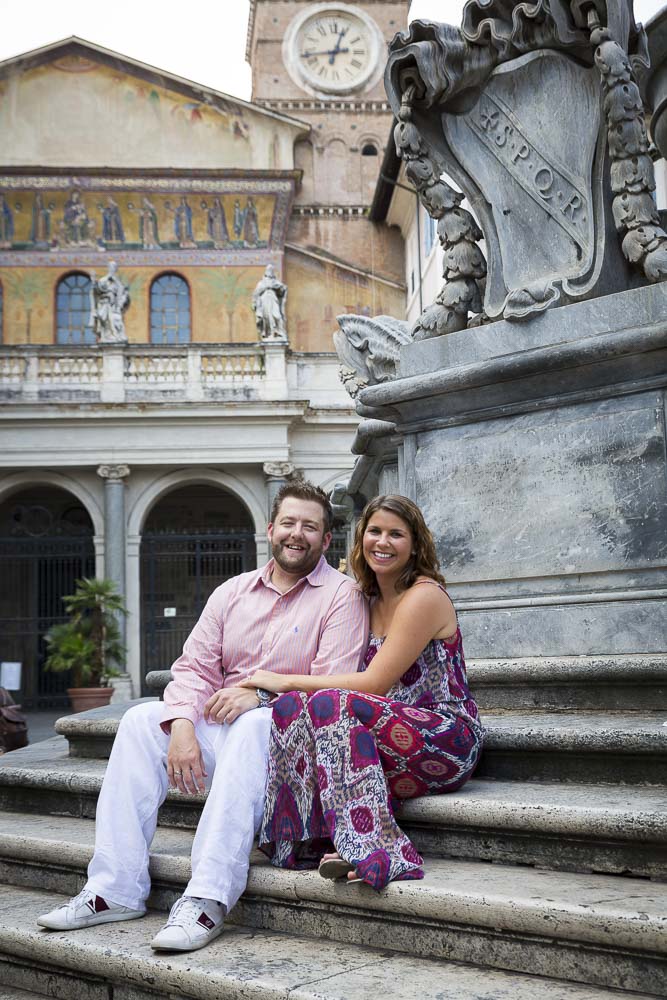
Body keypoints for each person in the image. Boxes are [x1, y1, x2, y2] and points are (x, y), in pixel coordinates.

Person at [37, 481, 369, 951]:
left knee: (254, 724)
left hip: (290, 746)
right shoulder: (232, 592)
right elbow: (193, 668)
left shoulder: (342, 596)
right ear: (271, 529)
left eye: (310, 526)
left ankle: (207, 898)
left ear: (326, 539)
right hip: (223, 729)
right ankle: (115, 889)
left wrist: (258, 694)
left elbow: (331, 682)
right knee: (138, 721)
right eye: (289, 523)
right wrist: (183, 727)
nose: (298, 534)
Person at [243, 494, 484, 890]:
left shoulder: (423, 596)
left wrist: (283, 679)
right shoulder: (363, 599)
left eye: (396, 534)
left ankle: (378, 850)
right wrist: (275, 693)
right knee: (291, 707)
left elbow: (373, 685)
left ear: (415, 544)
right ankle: (305, 840)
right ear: (361, 539)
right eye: (374, 531)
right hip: (379, 738)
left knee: (323, 700)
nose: (382, 542)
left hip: (444, 736)